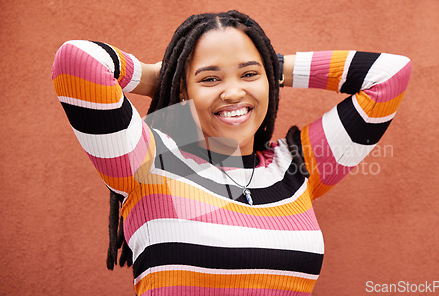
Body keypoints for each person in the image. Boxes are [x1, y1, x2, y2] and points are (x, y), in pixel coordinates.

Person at [52, 10, 411, 296]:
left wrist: (271, 65)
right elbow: (78, 61)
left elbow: (390, 75)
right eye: (210, 79)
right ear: (181, 88)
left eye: (249, 75)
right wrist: (154, 76)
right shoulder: (145, 160)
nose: (233, 92)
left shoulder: (298, 166)